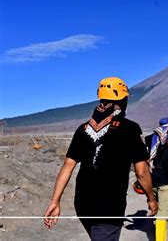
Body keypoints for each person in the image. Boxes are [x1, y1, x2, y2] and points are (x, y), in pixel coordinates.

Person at [43, 77, 157, 240]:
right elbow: (141, 171)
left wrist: (55, 201)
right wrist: (151, 198)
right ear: (123, 100)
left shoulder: (83, 129)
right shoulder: (130, 128)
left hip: (83, 204)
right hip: (109, 207)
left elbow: (67, 167)